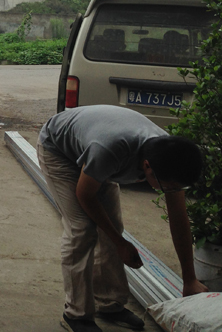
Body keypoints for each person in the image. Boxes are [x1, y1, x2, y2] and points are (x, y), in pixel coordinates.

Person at [37, 105, 208, 332]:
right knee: (82, 229)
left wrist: (189, 280)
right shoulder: (110, 150)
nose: (169, 191)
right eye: (167, 186)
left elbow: (179, 220)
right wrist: (120, 243)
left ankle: (109, 305)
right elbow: (85, 195)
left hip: (98, 154)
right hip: (58, 150)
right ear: (146, 166)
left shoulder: (170, 158)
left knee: (113, 227)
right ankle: (76, 315)